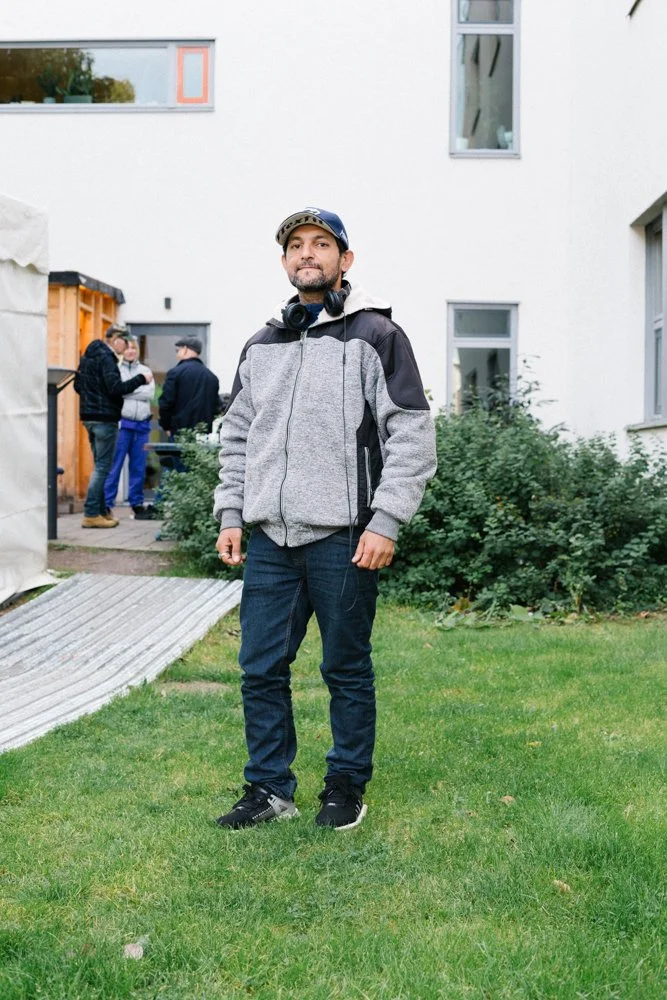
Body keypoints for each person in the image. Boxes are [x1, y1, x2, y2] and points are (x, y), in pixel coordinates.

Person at [213, 207, 437, 830]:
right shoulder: (261, 345)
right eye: (295, 245)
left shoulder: (377, 336)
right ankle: (269, 789)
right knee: (260, 668)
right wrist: (231, 512)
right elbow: (237, 437)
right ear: (285, 260)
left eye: (320, 243)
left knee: (344, 668)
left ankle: (345, 786)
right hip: (270, 539)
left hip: (346, 537)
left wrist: (386, 521)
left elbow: (411, 435)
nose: (306, 254)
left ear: (345, 259)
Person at [74, 324, 153, 529]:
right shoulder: (107, 358)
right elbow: (116, 388)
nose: (126, 348)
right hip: (105, 419)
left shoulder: (88, 356)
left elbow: (77, 385)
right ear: (116, 340)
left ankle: (102, 512)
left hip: (89, 418)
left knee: (100, 466)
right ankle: (92, 513)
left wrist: (94, 398)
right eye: (125, 343)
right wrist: (141, 379)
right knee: (103, 468)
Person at [104, 337, 156, 520]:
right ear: (122, 350)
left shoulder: (145, 370)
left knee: (138, 467)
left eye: (134, 348)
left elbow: (149, 393)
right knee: (115, 466)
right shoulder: (116, 370)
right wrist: (130, 389)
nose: (131, 351)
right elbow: (118, 391)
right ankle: (106, 504)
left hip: (142, 425)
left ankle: (137, 504)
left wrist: (128, 391)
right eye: (127, 348)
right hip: (123, 424)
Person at [158, 336, 220, 438]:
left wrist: (166, 426)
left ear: (185, 349)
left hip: (180, 433)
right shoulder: (212, 377)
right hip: (204, 434)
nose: (177, 354)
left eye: (178, 350)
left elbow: (166, 403)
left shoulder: (175, 373)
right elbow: (215, 407)